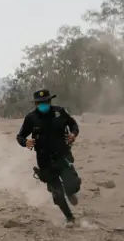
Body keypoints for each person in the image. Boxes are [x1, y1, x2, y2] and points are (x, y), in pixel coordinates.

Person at [16, 89, 81, 228]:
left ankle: (70, 192)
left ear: (50, 101)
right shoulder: (31, 118)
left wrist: (73, 134)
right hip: (45, 161)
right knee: (57, 194)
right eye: (40, 103)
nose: (43, 105)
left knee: (73, 184)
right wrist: (25, 142)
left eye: (45, 102)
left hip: (63, 156)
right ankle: (70, 218)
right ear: (35, 104)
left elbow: (73, 125)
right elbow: (20, 137)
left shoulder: (60, 112)